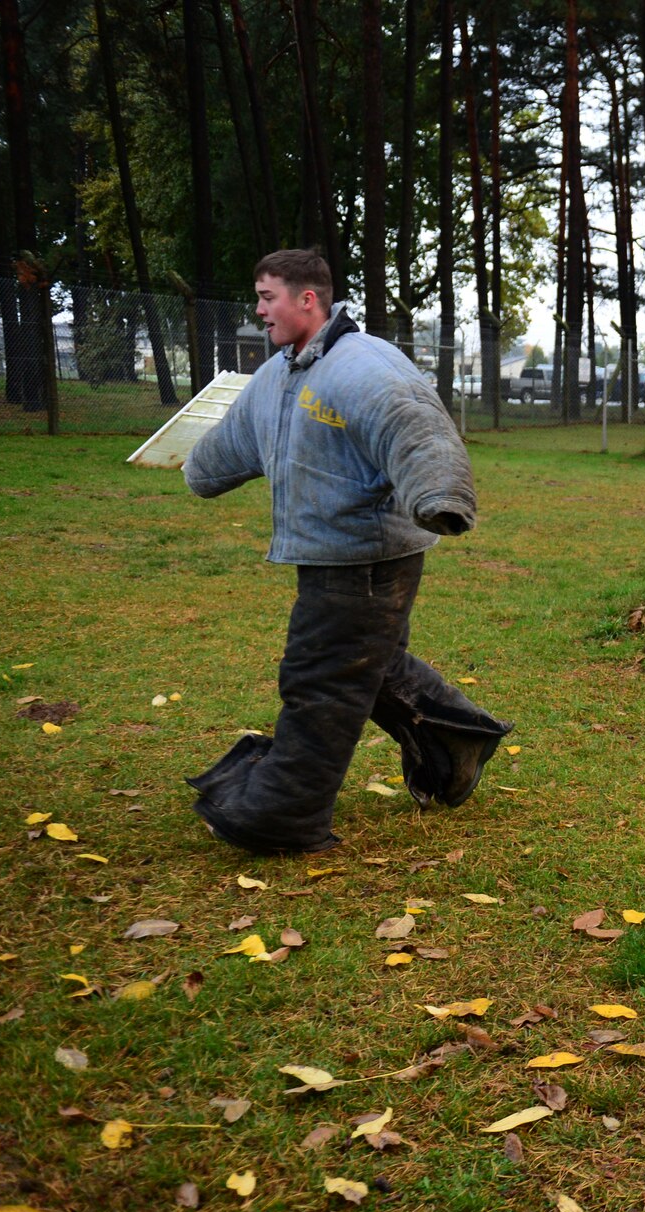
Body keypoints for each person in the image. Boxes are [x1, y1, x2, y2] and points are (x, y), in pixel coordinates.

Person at [180, 249, 511, 854]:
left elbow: (413, 424)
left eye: (267, 296)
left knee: (321, 681)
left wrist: (438, 494)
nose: (258, 311)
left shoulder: (362, 365)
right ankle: (456, 748)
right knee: (371, 666)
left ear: (309, 299)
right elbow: (238, 438)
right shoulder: (280, 374)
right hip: (328, 552)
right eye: (257, 297)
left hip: (364, 558)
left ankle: (281, 815)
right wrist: (201, 470)